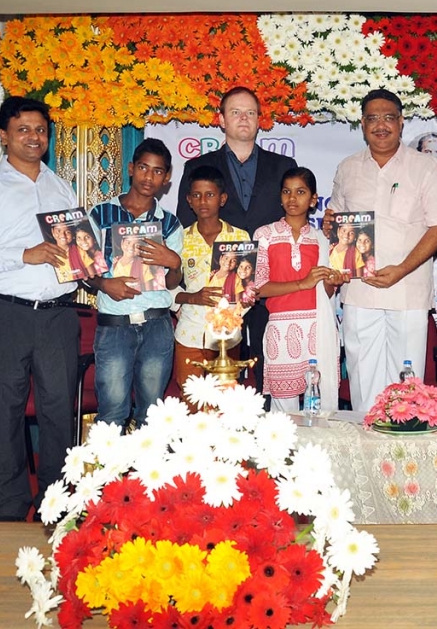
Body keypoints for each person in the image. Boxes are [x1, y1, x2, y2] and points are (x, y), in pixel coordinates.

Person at [0, 96, 80, 522]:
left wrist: (87, 261)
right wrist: (23, 254)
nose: (33, 137)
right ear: (4, 136)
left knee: (58, 411)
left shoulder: (60, 187)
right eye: (23, 129)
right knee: (3, 411)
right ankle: (9, 507)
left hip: (59, 314)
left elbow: (79, 245)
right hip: (6, 314)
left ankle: (54, 503)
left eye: (41, 130)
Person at [327, 89, 437, 411]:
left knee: (407, 385)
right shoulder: (347, 167)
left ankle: (404, 440)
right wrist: (331, 225)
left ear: (401, 123)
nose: (380, 125)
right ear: (362, 124)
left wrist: (401, 269)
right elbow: (337, 224)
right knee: (362, 379)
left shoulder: (424, 167)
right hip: (360, 292)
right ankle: (366, 440)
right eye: (372, 118)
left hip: (407, 290)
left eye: (388, 117)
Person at [177, 86, 297, 401]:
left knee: (269, 361)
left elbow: (295, 217)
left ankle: (266, 423)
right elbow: (184, 226)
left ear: (259, 120)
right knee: (219, 376)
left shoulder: (283, 166)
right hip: (218, 290)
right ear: (221, 120)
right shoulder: (198, 167)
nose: (243, 118)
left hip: (270, 282)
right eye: (235, 112)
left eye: (250, 113)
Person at [88, 138, 183, 429]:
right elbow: (84, 268)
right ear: (131, 168)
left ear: (166, 179)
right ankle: (107, 461)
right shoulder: (101, 214)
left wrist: (174, 262)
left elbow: (172, 282)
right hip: (114, 324)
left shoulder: (170, 223)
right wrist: (104, 285)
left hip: (157, 324)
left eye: (157, 171)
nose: (148, 177)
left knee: (152, 415)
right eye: (143, 167)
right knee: (112, 414)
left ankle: (148, 461)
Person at [253, 167, 344, 412]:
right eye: (287, 192)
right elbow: (258, 288)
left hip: (318, 328)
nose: (292, 198)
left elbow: (325, 294)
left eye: (301, 192)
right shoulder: (265, 235)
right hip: (281, 330)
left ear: (313, 200)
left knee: (320, 407)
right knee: (285, 412)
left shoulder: (322, 239)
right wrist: (302, 283)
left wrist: (333, 281)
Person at [171, 165, 252, 402]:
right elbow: (166, 285)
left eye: (210, 194)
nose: (203, 201)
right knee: (192, 401)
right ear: (189, 200)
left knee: (225, 403)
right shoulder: (180, 238)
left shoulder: (239, 237)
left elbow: (247, 286)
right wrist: (187, 300)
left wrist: (240, 305)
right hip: (190, 332)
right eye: (196, 195)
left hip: (227, 333)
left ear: (222, 199)